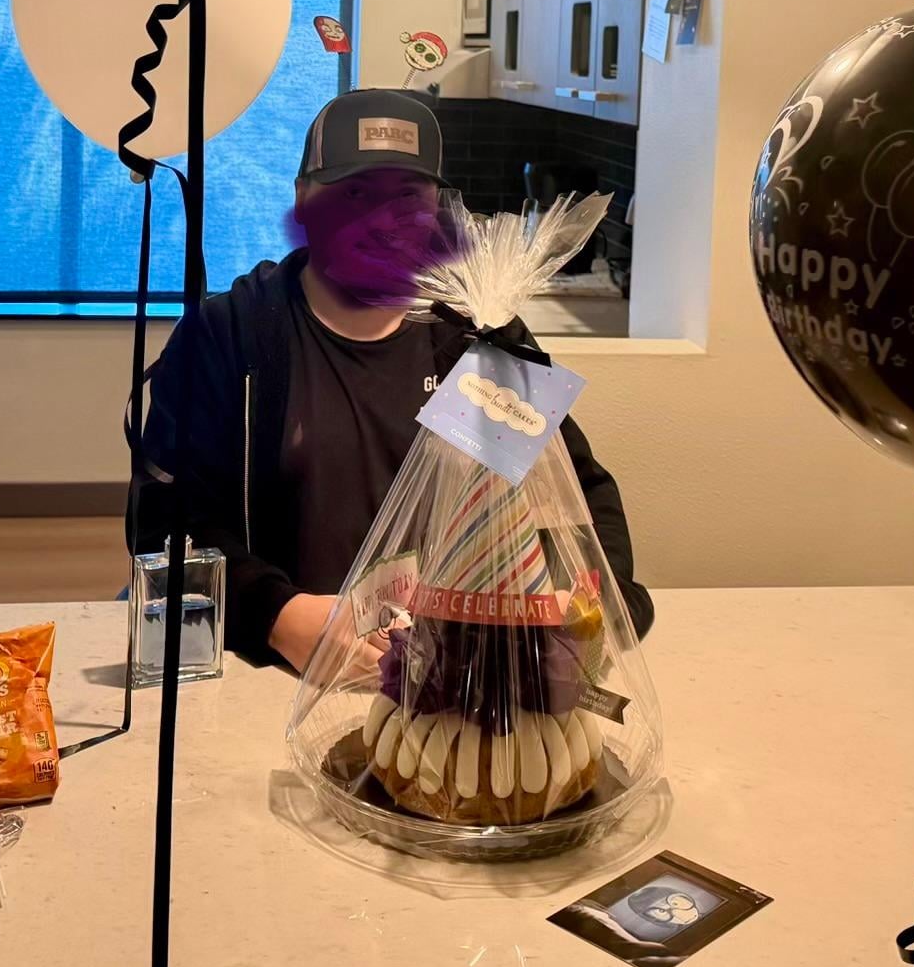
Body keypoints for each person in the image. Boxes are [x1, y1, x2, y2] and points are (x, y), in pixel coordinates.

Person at [126, 88, 653, 673]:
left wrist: (593, 605)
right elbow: (165, 522)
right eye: (353, 193)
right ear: (303, 200)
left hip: (453, 682)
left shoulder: (477, 334)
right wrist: (277, 616)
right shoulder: (230, 336)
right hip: (279, 675)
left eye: (407, 196)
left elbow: (575, 491)